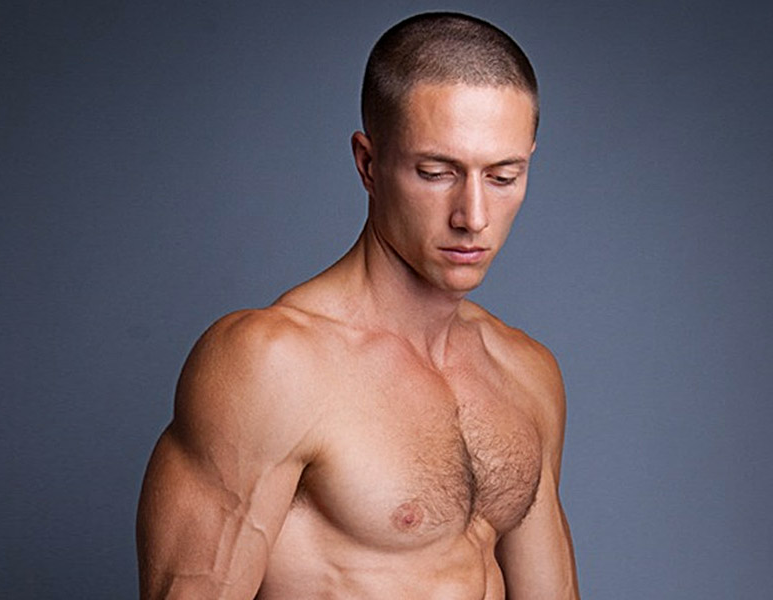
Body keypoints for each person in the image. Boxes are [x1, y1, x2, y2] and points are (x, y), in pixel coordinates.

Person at [137, 11, 579, 599]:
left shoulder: (526, 374)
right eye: (436, 172)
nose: (473, 216)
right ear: (369, 165)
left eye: (502, 177)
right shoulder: (271, 366)